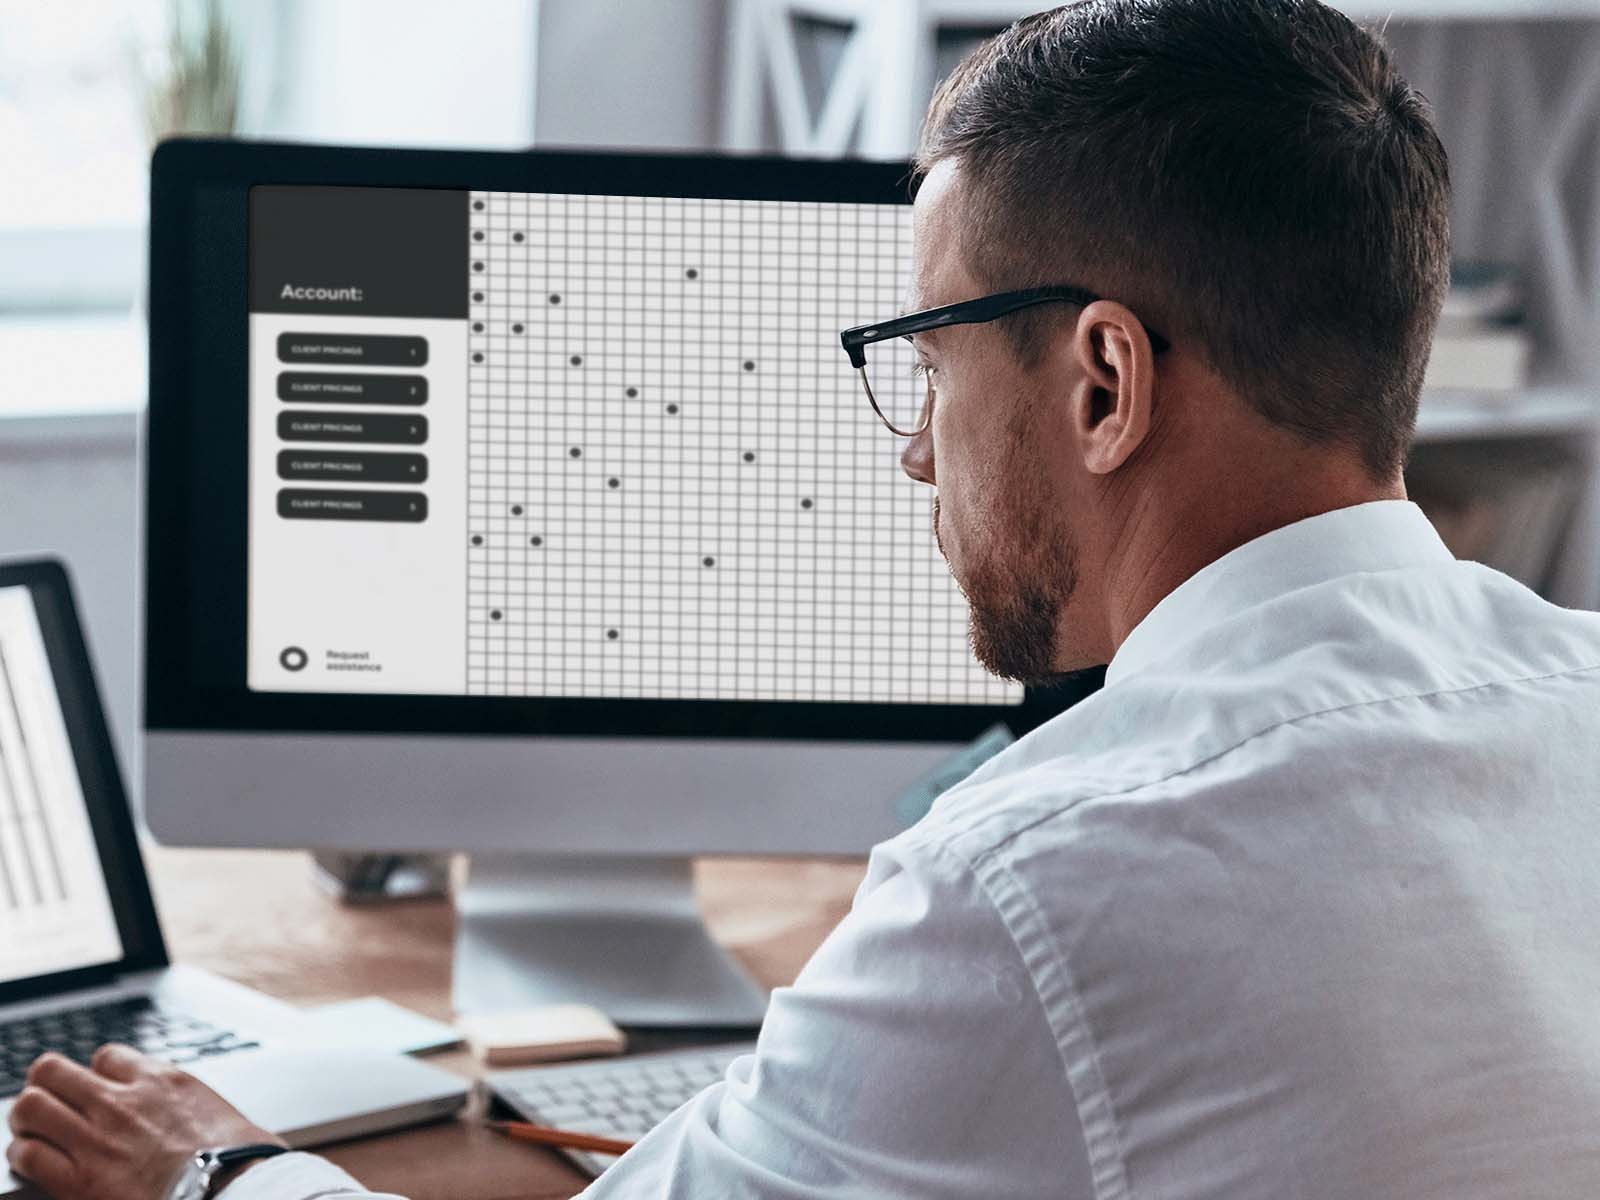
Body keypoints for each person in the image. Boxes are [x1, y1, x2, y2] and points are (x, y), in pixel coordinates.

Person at [12, 1, 1600, 1196]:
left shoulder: (1034, 882)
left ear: (1104, 383)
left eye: (930, 365)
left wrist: (220, 1171)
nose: (913, 450)